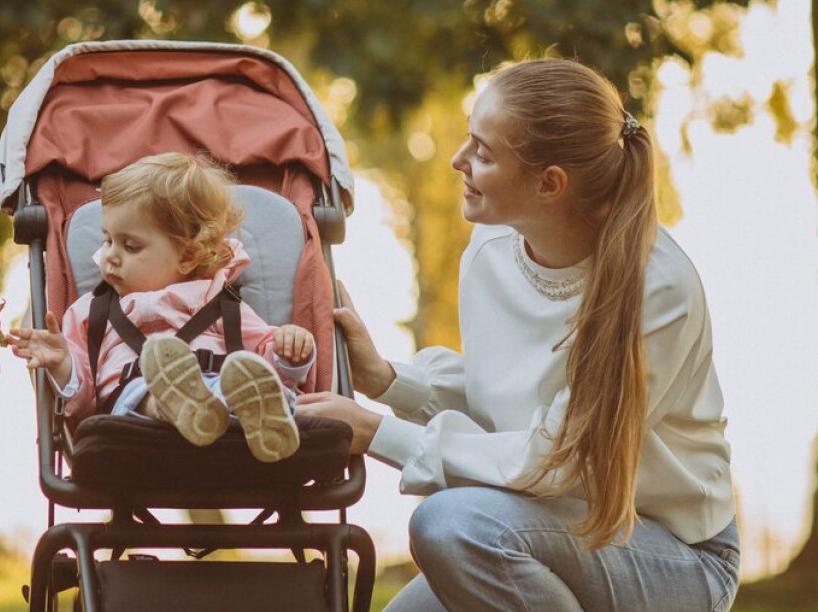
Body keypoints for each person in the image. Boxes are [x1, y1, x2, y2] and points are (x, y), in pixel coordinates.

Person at [297, 58, 738, 611]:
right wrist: (387, 380)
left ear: (550, 184)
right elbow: (505, 404)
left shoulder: (658, 288)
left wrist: (375, 433)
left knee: (450, 525)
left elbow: (555, 459)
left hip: (675, 553)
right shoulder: (491, 246)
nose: (459, 161)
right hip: (547, 529)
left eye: (483, 153)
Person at [9, 152, 317, 463]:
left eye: (130, 246)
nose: (111, 256)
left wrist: (288, 352)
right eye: (107, 241)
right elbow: (83, 401)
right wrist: (63, 363)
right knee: (144, 392)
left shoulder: (218, 301)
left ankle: (259, 417)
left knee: (243, 384)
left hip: (221, 408)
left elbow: (264, 358)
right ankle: (177, 403)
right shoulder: (91, 311)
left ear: (186, 257)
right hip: (133, 418)